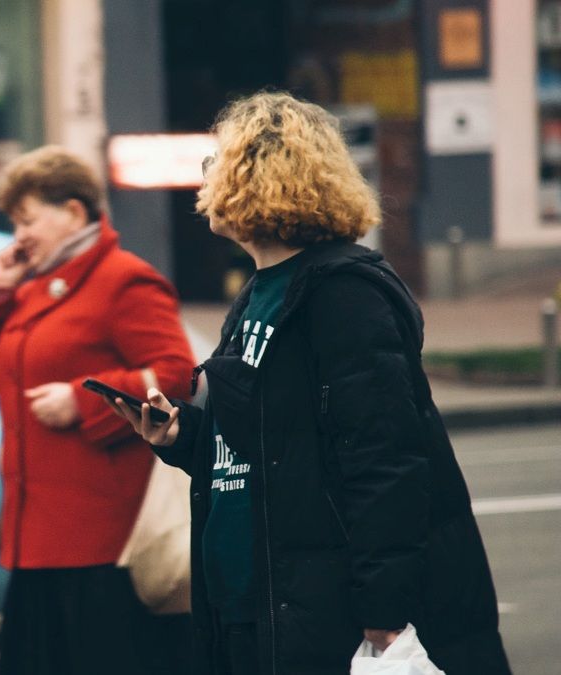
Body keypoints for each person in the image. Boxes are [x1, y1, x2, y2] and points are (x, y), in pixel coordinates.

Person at [107, 91, 511, 675]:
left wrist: (384, 607)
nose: (206, 181)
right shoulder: (255, 295)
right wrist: (185, 436)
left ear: (257, 179)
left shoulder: (343, 294)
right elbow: (275, 447)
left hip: (323, 607)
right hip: (256, 600)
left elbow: (386, 460)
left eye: (216, 164)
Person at [0, 145, 196, 674]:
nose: (18, 234)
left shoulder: (123, 279)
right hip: (35, 539)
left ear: (73, 210)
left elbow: (177, 373)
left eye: (28, 219)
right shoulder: (32, 285)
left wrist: (85, 399)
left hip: (103, 543)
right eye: (13, 222)